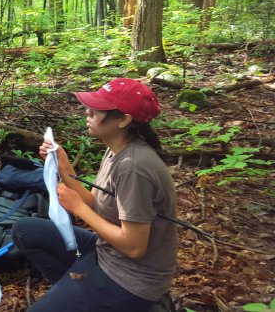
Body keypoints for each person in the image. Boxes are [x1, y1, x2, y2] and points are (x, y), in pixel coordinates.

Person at [11, 78, 178, 312]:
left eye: (98, 109)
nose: (88, 112)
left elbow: (134, 247)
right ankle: (75, 295)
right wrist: (64, 165)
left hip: (131, 278)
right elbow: (97, 203)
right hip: (106, 251)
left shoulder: (134, 167)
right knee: (25, 230)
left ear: (123, 120)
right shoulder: (116, 149)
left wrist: (77, 208)